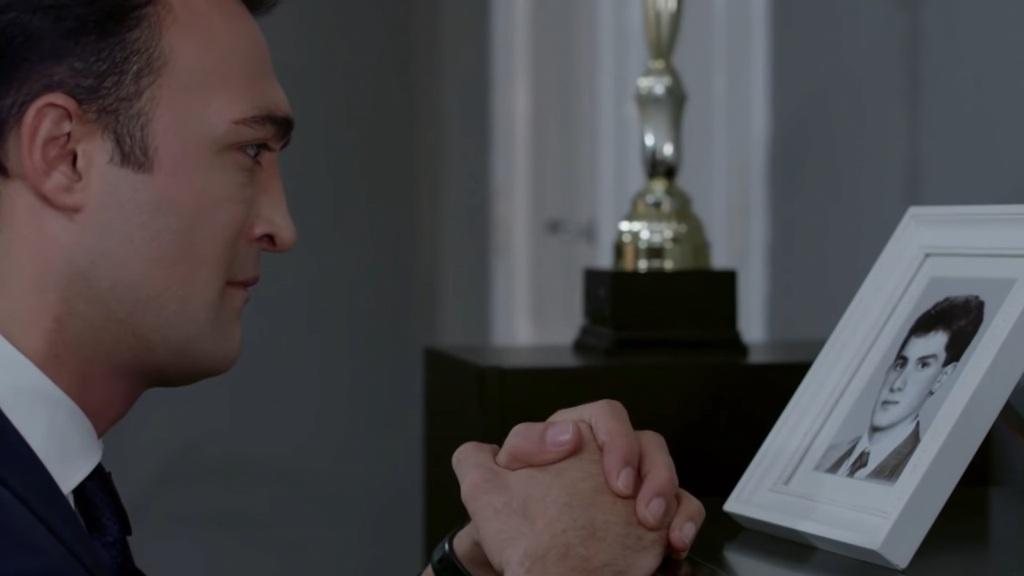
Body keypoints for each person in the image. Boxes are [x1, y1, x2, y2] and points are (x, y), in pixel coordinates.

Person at [0, 1, 704, 574]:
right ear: (64, 154)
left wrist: (476, 569)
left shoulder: (46, 492)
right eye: (249, 151)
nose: (281, 228)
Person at [815, 295, 984, 484]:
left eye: (923, 365)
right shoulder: (824, 457)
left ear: (941, 378)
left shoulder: (919, 474)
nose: (897, 384)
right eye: (900, 364)